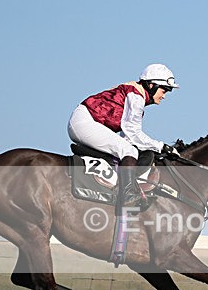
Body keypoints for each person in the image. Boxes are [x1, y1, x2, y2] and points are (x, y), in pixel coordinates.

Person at [68, 64, 180, 210]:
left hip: (85, 121)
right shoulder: (136, 96)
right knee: (130, 151)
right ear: (151, 85)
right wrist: (161, 146)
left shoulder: (136, 94)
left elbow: (127, 137)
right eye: (164, 90)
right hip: (84, 122)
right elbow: (133, 134)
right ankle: (128, 194)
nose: (164, 95)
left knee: (128, 149)